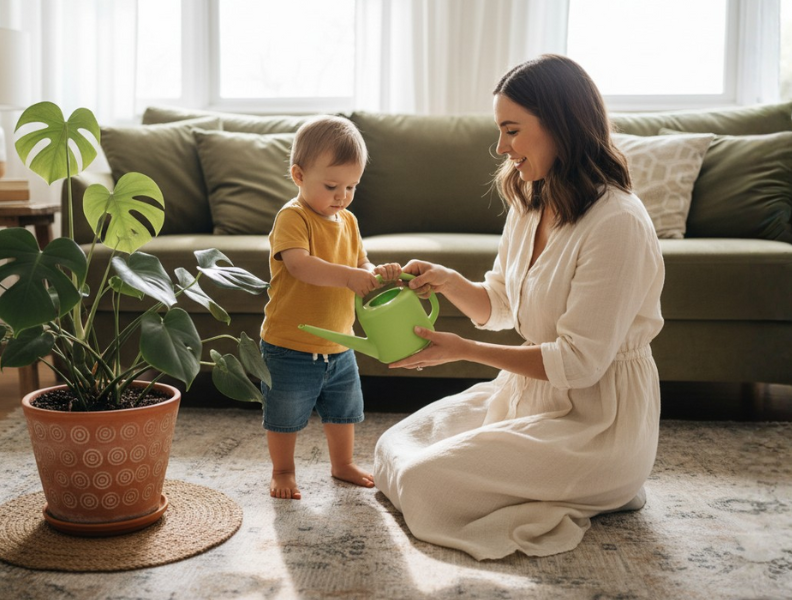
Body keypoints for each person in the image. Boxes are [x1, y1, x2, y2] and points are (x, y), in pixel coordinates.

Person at [372, 54, 665, 559]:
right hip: (528, 395)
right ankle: (561, 485)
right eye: (500, 131)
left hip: (597, 423)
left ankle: (606, 484)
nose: (501, 147)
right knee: (391, 449)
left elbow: (579, 363)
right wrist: (447, 282)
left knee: (422, 483)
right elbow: (503, 304)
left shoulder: (617, 222)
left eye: (512, 130)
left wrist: (464, 350)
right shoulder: (532, 198)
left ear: (561, 124)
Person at [260, 115, 402, 500]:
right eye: (331, 186)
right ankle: (283, 470)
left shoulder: (349, 221)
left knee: (344, 411)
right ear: (299, 175)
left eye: (351, 186)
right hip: (290, 343)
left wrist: (375, 273)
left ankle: (342, 464)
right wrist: (349, 277)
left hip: (341, 343)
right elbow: (300, 265)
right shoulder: (293, 217)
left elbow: (360, 264)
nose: (342, 196)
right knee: (285, 415)